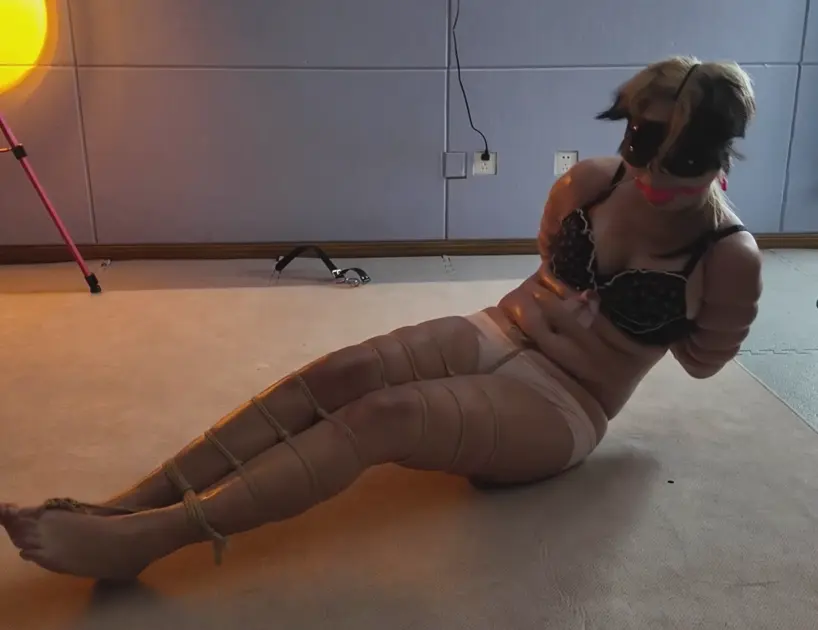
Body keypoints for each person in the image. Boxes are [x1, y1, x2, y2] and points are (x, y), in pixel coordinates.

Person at [0, 55, 763, 581]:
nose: (653, 171)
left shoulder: (728, 256)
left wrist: (660, 308)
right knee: (345, 371)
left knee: (385, 416)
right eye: (641, 140)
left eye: (682, 157)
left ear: (720, 154)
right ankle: (131, 501)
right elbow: (543, 256)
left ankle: (146, 540)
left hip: (568, 403)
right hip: (499, 327)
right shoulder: (591, 182)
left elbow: (703, 361)